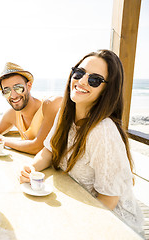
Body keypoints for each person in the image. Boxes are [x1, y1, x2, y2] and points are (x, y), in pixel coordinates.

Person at [19, 49, 144, 236]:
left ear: (106, 91)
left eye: (95, 80)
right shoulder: (66, 113)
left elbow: (108, 201)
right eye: (79, 73)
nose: (82, 81)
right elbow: (49, 151)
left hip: (112, 225)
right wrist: (31, 169)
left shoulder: (103, 132)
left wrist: (74, 228)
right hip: (76, 206)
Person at [0, 62, 62, 154]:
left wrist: (4, 140)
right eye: (6, 91)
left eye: (18, 87)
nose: (13, 95)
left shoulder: (49, 105)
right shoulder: (13, 114)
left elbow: (38, 147)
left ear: (29, 86)